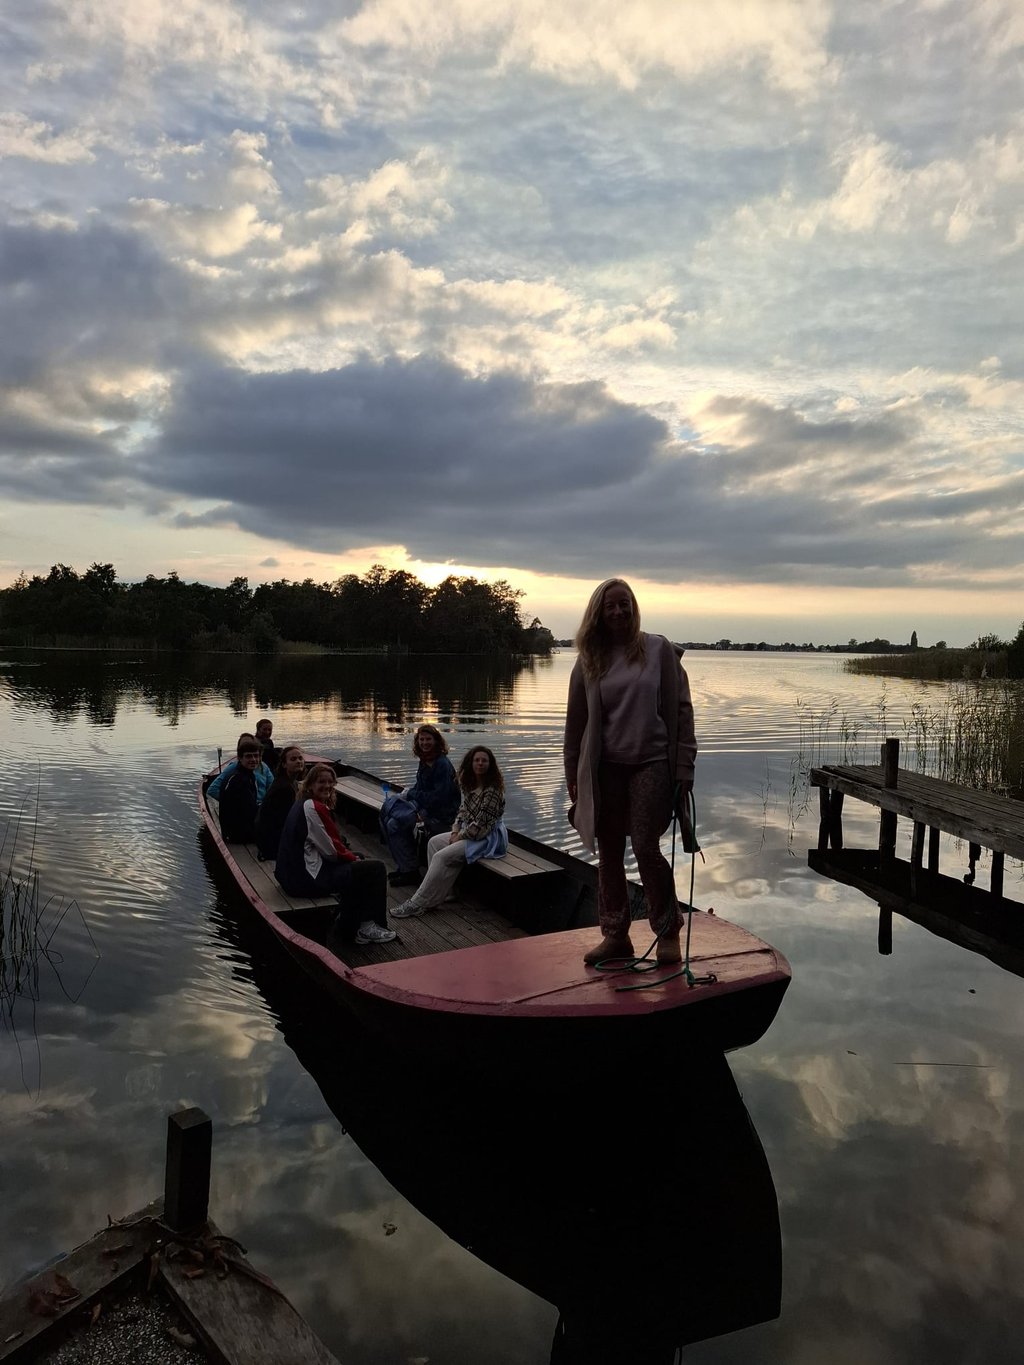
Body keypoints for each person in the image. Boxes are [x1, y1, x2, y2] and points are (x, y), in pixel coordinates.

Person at [563, 578, 697, 966]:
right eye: (611, 607)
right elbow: (575, 728)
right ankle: (616, 935)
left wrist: (684, 766)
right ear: (599, 614)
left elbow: (682, 713)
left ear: (634, 607)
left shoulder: (658, 650)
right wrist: (574, 776)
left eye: (625, 604)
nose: (619, 612)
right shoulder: (590, 659)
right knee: (608, 853)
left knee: (646, 847)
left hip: (652, 764)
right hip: (604, 770)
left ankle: (667, 930)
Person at [275, 763, 396, 947]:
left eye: (331, 782)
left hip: (293, 873)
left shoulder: (303, 802)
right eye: (321, 782)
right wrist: (352, 858)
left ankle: (348, 921)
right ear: (310, 784)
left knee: (359, 863)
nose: (327, 786)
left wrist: (352, 856)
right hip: (304, 880)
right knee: (376, 868)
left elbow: (328, 847)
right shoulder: (313, 808)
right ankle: (370, 927)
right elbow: (332, 851)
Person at [391, 746, 508, 918]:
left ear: (491, 765)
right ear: (471, 763)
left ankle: (419, 903)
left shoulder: (492, 790)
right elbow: (462, 812)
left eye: (484, 760)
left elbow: (481, 826)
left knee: (441, 856)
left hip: (488, 838)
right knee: (433, 843)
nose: (480, 763)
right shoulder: (470, 784)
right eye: (477, 760)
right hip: (470, 832)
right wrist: (455, 831)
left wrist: (460, 836)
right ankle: (447, 892)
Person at [381, 724, 460, 887]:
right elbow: (420, 788)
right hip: (426, 808)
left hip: (442, 815)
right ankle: (406, 868)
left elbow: (440, 799)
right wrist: (412, 801)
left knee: (396, 824)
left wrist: (412, 796)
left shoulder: (442, 765)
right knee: (391, 820)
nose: (425, 743)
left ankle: (410, 871)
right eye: (421, 739)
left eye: (428, 739)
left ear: (436, 741)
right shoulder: (425, 761)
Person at [255, 745, 305, 861]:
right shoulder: (285, 789)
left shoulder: (287, 782)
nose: (298, 761)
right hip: (273, 845)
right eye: (293, 759)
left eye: (300, 758)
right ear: (284, 764)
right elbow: (288, 823)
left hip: (269, 840)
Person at [217, 738, 265, 844]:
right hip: (238, 834)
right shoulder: (239, 779)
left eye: (256, 756)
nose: (253, 759)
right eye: (248, 756)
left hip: (238, 829)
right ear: (240, 758)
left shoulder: (245, 774)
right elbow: (249, 810)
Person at [207, 733, 274, 803]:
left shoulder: (263, 767)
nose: (253, 759)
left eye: (255, 755)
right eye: (248, 755)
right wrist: (232, 803)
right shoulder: (233, 768)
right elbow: (212, 790)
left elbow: (272, 788)